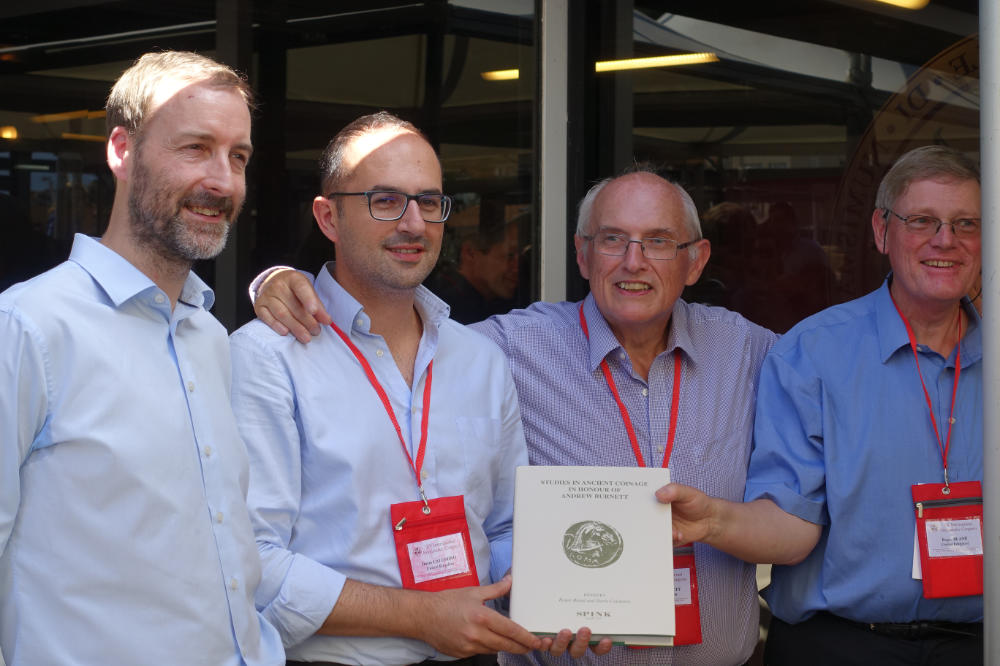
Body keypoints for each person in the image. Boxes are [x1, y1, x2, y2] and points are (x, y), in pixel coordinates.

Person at [253, 165, 779, 665]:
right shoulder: (508, 347)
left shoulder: (748, 351)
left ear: (697, 260)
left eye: (659, 241)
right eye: (612, 240)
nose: (633, 261)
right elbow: (394, 334)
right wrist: (283, 283)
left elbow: (836, 366)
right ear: (582, 254)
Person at [229, 111, 556, 665]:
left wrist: (551, 600)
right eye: (385, 200)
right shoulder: (267, 356)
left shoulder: (479, 359)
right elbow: (252, 561)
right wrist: (423, 616)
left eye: (429, 202)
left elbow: (505, 526)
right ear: (328, 217)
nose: (413, 224)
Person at [0, 51, 283, 665]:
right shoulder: (26, 328)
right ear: (122, 151)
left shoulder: (209, 338)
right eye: (195, 148)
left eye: (238, 157)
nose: (223, 180)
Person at [660, 144, 984, 665]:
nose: (945, 240)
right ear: (882, 231)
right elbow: (792, 524)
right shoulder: (814, 355)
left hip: (978, 644)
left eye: (966, 224)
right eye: (922, 220)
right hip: (841, 645)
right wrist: (714, 522)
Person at [427, 216, 521, 324]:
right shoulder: (447, 307)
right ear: (470, 253)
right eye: (510, 256)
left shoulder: (486, 301)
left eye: (521, 257)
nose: (517, 268)